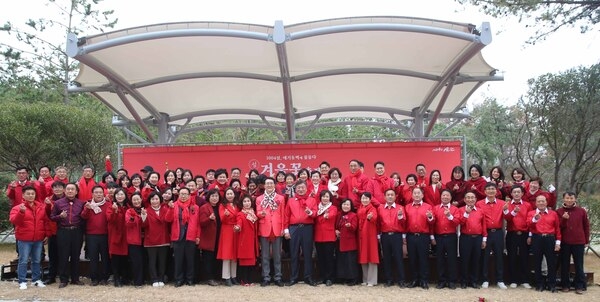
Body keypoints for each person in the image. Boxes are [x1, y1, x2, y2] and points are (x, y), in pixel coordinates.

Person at [9, 186, 49, 290]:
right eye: (28, 194)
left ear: (35, 195)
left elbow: (45, 222)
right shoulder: (17, 208)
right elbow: (14, 221)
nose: (30, 195)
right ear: (23, 195)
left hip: (38, 239)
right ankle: (22, 281)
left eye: (32, 194)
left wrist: (46, 235)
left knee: (36, 260)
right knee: (23, 260)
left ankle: (36, 279)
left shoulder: (41, 207)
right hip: (24, 239)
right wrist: (21, 212)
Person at [50, 183, 85, 288]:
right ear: (65, 191)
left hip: (76, 232)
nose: (70, 191)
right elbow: (52, 217)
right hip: (63, 231)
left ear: (76, 191)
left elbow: (84, 218)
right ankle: (63, 279)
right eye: (68, 189)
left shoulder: (81, 203)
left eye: (72, 189)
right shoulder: (57, 203)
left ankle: (75, 278)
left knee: (76, 255)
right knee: (63, 255)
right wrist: (59, 216)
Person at [283, 180, 318, 286]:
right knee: (294, 254)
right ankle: (294, 277)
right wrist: (286, 230)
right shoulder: (291, 200)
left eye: (303, 187)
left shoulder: (312, 200)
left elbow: (316, 213)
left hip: (307, 228)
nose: (301, 189)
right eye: (299, 188)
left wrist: (310, 213)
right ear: (295, 189)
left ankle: (308, 277)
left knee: (308, 253)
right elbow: (286, 216)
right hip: (294, 228)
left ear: (306, 189)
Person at [165, 187, 200, 287]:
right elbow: (168, 219)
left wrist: (198, 236)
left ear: (189, 195)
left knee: (190, 260)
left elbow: (198, 223)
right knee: (178, 260)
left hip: (191, 236)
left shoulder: (195, 207)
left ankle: (190, 279)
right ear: (178, 195)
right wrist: (170, 208)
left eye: (185, 194)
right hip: (178, 237)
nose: (183, 196)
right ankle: (179, 279)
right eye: (181, 194)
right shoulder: (174, 205)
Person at [556, 192, 589, 294]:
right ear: (563, 199)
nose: (569, 200)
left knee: (579, 264)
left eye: (571, 198)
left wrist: (586, 241)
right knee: (564, 264)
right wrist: (564, 219)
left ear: (575, 199)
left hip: (578, 241)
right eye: (567, 198)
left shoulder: (581, 211)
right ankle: (565, 285)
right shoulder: (559, 211)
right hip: (565, 242)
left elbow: (586, 226)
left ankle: (579, 285)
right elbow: (558, 227)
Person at [476, 182, 507, 289]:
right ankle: (485, 279)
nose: (490, 191)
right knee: (485, 256)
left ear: (496, 191)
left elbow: (508, 218)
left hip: (498, 232)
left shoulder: (502, 203)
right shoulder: (479, 204)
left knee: (499, 255)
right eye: (488, 189)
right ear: (485, 191)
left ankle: (500, 280)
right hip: (485, 233)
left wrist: (508, 211)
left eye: (492, 189)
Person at [527, 195, 561, 293]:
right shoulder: (531, 213)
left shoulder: (553, 213)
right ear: (536, 203)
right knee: (537, 262)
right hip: (537, 238)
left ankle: (552, 284)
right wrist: (535, 219)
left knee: (551, 262)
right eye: (539, 201)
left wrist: (558, 242)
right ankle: (539, 284)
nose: (541, 203)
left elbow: (557, 229)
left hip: (550, 238)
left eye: (543, 201)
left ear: (546, 203)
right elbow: (529, 225)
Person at [256, 177, 286, 287]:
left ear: (274, 185)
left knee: (277, 255)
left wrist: (283, 228)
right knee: (265, 255)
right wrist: (261, 214)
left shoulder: (280, 198)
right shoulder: (259, 199)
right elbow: (257, 212)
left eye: (271, 183)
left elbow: (283, 214)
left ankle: (278, 277)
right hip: (264, 228)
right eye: (267, 183)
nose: (269, 185)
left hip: (277, 228)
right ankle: (266, 277)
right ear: (264, 185)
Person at [80, 185, 111, 286]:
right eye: (96, 192)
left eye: (100, 192)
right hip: (91, 235)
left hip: (105, 235)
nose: (98, 194)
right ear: (92, 194)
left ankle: (104, 278)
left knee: (105, 258)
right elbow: (83, 217)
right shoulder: (88, 204)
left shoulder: (108, 204)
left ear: (103, 194)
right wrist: (87, 209)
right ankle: (94, 278)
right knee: (93, 258)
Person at [503, 185, 532, 289]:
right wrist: (511, 211)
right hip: (512, 233)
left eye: (518, 192)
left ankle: (525, 280)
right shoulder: (507, 204)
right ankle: (513, 280)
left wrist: (530, 235)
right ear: (511, 194)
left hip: (524, 234)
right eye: (514, 192)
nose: (516, 194)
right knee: (512, 257)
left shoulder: (527, 205)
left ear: (522, 193)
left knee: (525, 257)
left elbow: (530, 221)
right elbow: (507, 219)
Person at [405, 187, 434, 289]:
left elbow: (432, 223)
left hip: (423, 237)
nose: (417, 195)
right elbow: (404, 223)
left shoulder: (428, 207)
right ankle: (414, 280)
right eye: (415, 193)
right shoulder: (407, 207)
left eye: (419, 193)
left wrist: (430, 217)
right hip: (411, 236)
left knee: (423, 259)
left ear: (422, 195)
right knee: (412, 259)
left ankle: (424, 280)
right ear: (412, 195)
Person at [377, 189, 406, 288]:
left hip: (396, 236)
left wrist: (400, 217)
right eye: (388, 195)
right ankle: (389, 279)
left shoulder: (400, 208)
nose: (390, 196)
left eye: (392, 195)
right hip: (385, 236)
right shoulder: (380, 208)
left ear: (395, 197)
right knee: (387, 259)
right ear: (384, 197)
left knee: (399, 258)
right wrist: (378, 235)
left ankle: (401, 280)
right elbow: (378, 223)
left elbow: (404, 223)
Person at [431, 189, 460, 289]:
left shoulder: (455, 209)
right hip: (439, 237)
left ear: (451, 198)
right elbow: (432, 223)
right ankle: (441, 281)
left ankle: (452, 281)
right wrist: (432, 237)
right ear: (441, 197)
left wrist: (449, 216)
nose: (445, 197)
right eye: (443, 195)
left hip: (451, 236)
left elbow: (457, 222)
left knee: (452, 259)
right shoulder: (435, 208)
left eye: (447, 195)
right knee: (440, 260)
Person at [458, 191, 487, 289]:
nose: (470, 199)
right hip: (465, 238)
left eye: (472, 197)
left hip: (477, 238)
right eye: (468, 197)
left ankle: (474, 281)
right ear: (465, 199)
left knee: (476, 260)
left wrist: (484, 239)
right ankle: (464, 281)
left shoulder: (480, 211)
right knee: (464, 260)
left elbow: (483, 226)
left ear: (475, 199)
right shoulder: (460, 210)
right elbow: (460, 223)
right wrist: (466, 213)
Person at [143, 192, 171, 287]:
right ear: (149, 201)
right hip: (151, 240)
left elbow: (169, 221)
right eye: (152, 199)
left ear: (160, 200)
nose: (155, 201)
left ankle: (161, 278)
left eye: (156, 199)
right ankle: (154, 279)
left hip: (163, 239)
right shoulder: (146, 211)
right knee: (152, 261)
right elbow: (143, 226)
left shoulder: (165, 209)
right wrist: (143, 216)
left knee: (162, 261)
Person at [42, 181, 66, 285]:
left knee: (63, 255)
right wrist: (47, 234)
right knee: (52, 256)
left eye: (59, 187)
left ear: (64, 189)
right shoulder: (49, 200)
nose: (57, 189)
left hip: (65, 232)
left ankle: (63, 277)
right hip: (53, 232)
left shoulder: (68, 199)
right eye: (55, 188)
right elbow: (46, 217)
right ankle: (51, 277)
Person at [198, 189, 222, 286]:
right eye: (212, 196)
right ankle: (209, 278)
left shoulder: (220, 207)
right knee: (208, 259)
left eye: (216, 196)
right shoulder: (204, 207)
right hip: (209, 237)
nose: (214, 198)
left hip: (219, 237)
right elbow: (201, 222)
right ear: (209, 197)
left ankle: (217, 277)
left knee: (217, 259)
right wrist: (209, 219)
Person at [314, 190, 338, 286]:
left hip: (329, 237)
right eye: (323, 196)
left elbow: (332, 215)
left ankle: (330, 278)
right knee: (321, 258)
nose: (325, 198)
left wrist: (325, 216)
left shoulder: (333, 208)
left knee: (329, 258)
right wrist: (323, 215)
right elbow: (315, 217)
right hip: (318, 236)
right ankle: (322, 277)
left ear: (330, 198)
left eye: (327, 197)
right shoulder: (317, 208)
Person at [106, 188, 129, 287]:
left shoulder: (128, 207)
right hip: (115, 235)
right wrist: (115, 211)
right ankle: (116, 279)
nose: (120, 196)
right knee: (115, 258)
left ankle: (124, 278)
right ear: (115, 196)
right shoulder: (111, 207)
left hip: (126, 236)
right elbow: (110, 220)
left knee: (124, 258)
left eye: (122, 194)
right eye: (118, 195)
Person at [217, 187, 240, 286]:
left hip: (236, 230)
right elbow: (222, 219)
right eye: (228, 194)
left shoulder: (237, 205)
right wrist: (226, 215)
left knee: (234, 254)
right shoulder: (222, 205)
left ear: (234, 195)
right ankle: (226, 277)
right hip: (226, 230)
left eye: (231, 194)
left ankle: (233, 276)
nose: (230, 195)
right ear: (225, 195)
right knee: (227, 254)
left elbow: (240, 216)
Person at [235, 194, 259, 286]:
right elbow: (239, 222)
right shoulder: (240, 214)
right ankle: (243, 280)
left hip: (253, 240)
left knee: (252, 262)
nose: (247, 203)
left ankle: (250, 279)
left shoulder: (253, 213)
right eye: (245, 201)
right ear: (242, 203)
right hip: (244, 240)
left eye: (248, 201)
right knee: (244, 262)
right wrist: (238, 227)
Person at [356, 192, 379, 286]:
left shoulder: (372, 209)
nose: (364, 200)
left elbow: (374, 217)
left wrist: (370, 217)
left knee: (371, 256)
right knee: (363, 256)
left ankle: (372, 280)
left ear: (370, 200)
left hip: (370, 236)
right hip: (361, 235)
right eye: (363, 198)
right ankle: (365, 279)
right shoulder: (360, 208)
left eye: (366, 198)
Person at [335, 199, 359, 286]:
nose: (345, 206)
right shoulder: (338, 215)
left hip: (350, 241)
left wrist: (349, 226)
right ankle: (344, 277)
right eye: (344, 204)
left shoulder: (353, 215)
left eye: (348, 205)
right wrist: (336, 230)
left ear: (351, 206)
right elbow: (335, 226)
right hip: (340, 241)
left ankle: (353, 278)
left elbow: (354, 228)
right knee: (342, 260)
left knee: (350, 261)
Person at [125, 193, 145, 287]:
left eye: (138, 199)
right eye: (134, 200)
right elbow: (128, 224)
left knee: (144, 260)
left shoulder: (144, 209)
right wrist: (135, 217)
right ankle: (137, 281)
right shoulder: (129, 211)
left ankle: (144, 279)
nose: (136, 201)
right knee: (136, 261)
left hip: (145, 239)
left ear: (141, 199)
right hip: (134, 240)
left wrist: (144, 216)